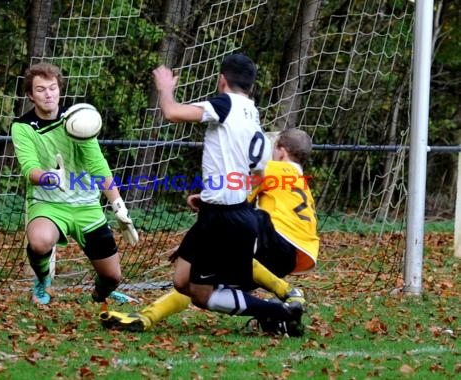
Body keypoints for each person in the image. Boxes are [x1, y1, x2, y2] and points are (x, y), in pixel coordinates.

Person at [102, 53, 303, 330]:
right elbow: (257, 172)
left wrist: (165, 89)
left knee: (200, 293)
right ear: (252, 86)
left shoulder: (225, 105)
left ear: (222, 80)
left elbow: (172, 112)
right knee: (182, 281)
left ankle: (278, 312)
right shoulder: (253, 115)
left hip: (225, 218)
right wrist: (214, 195)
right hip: (225, 211)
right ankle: (278, 309)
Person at [101, 129, 319, 336]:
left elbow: (232, 199)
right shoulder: (301, 183)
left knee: (230, 223)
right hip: (291, 257)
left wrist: (203, 201)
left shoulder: (273, 167)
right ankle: (146, 318)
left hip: (274, 238)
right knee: (199, 283)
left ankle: (289, 292)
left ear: (281, 151)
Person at [11, 62, 138, 305]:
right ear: (30, 95)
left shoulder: (79, 121)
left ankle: (102, 294)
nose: (48, 94)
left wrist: (118, 204)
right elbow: (29, 168)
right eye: (40, 90)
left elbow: (97, 164)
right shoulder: (23, 127)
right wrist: (50, 178)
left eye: (52, 88)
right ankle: (42, 280)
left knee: (112, 276)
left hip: (86, 206)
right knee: (39, 241)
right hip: (47, 205)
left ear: (60, 90)